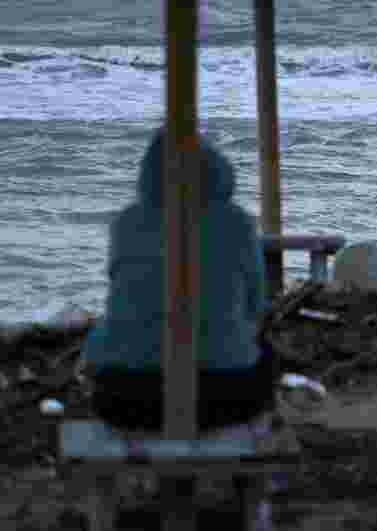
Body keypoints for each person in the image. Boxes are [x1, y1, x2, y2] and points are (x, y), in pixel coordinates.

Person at [81, 128, 276, 432]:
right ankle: (246, 470)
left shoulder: (127, 223)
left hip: (125, 401)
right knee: (266, 351)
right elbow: (255, 308)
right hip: (226, 399)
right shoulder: (237, 223)